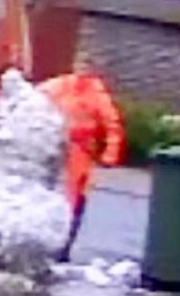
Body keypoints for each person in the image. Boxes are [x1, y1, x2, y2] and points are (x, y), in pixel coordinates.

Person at [38, 73, 125, 262]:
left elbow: (112, 125)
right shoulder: (60, 85)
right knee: (51, 193)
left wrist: (110, 154)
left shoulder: (95, 93)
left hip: (79, 151)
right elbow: (36, 99)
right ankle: (45, 241)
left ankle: (63, 246)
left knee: (73, 199)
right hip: (56, 145)